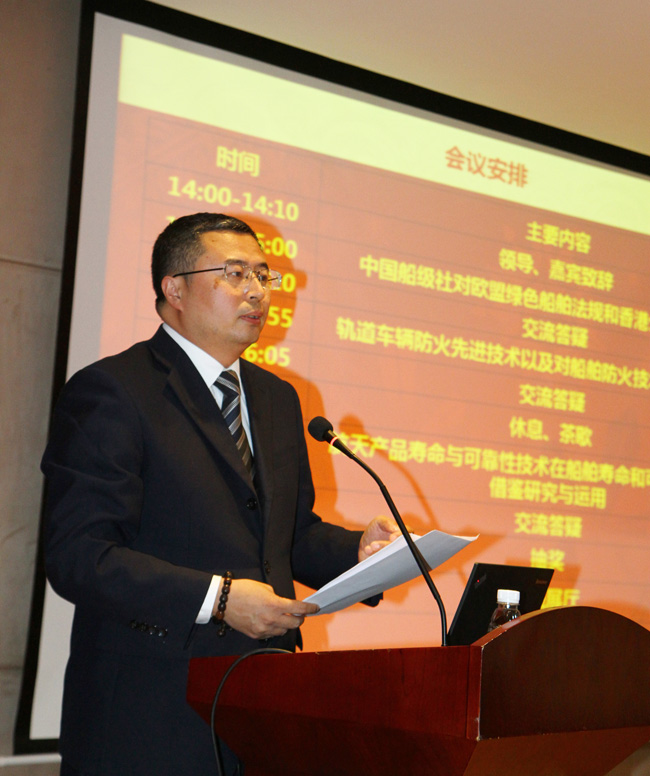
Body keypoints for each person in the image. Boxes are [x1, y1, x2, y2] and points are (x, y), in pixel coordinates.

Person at [42, 212, 400, 776]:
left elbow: (285, 536)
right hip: (149, 717)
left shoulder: (277, 398)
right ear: (174, 289)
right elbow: (80, 556)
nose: (257, 291)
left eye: (263, 275)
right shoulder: (113, 391)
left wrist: (357, 552)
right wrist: (220, 598)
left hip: (263, 711)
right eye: (235, 274)